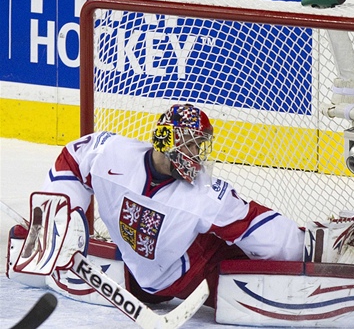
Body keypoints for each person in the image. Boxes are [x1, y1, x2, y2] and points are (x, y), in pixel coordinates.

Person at [37, 103, 305, 306]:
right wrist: (62, 219)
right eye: (192, 145)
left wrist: (305, 251)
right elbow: (71, 161)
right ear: (167, 140)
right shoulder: (111, 154)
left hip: (195, 273)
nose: (197, 156)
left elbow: (253, 225)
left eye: (201, 146)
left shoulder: (205, 194)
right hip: (139, 273)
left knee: (253, 281)